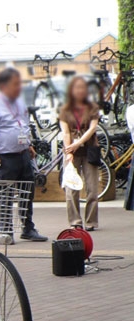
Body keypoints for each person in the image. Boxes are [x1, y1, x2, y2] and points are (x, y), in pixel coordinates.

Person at [0, 68, 48, 242]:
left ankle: (28, 228)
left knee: (27, 192)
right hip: (5, 156)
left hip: (23, 153)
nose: (18, 87)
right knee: (6, 195)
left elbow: (23, 125)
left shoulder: (19, 102)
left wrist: (29, 144)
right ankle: (6, 230)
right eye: (15, 84)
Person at [59, 76, 101, 231]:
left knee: (92, 188)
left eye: (82, 88)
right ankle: (75, 221)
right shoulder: (64, 109)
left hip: (90, 149)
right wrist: (70, 150)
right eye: (76, 88)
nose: (80, 91)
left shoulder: (92, 107)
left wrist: (78, 143)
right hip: (71, 151)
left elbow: (92, 128)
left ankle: (91, 222)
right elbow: (65, 132)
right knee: (71, 189)